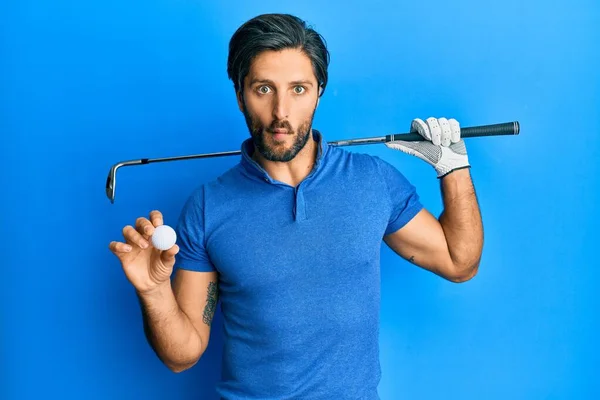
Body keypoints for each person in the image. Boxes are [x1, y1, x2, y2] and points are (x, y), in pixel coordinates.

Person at [109, 13, 483, 400]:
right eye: (263, 89)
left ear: (319, 90)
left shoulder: (373, 181)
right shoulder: (208, 206)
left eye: (299, 89)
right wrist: (153, 291)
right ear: (240, 95)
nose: (281, 113)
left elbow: (460, 263)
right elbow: (181, 356)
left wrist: (453, 166)